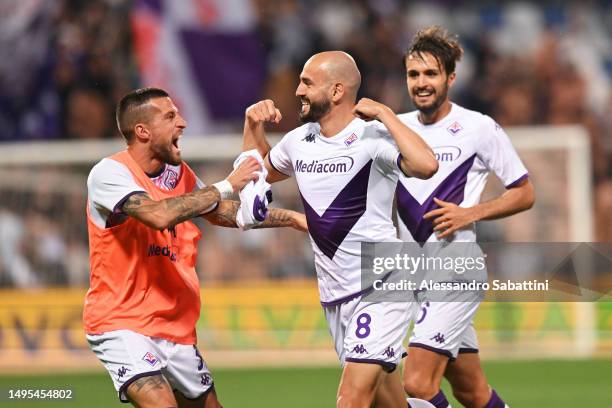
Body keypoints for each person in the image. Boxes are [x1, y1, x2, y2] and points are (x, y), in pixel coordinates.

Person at [83, 87, 306, 408]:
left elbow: (225, 213)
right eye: (170, 116)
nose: (183, 123)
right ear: (142, 131)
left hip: (174, 326)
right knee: (161, 403)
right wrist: (229, 183)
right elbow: (158, 215)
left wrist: (293, 218)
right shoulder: (109, 173)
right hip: (122, 322)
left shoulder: (178, 174)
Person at [243, 51, 438, 408]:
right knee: (388, 403)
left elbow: (426, 165)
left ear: (336, 91)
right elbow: (253, 177)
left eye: (307, 82)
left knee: (351, 400)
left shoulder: (372, 135)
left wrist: (386, 113)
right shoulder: (298, 140)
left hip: (382, 284)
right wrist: (252, 126)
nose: (298, 90)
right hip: (336, 295)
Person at [396, 27, 535, 408]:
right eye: (414, 75)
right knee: (472, 392)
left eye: (431, 74)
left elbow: (524, 192)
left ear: (450, 78)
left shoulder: (478, 127)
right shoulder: (395, 129)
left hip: (455, 269)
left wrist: (470, 213)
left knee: (417, 382)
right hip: (414, 274)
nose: (422, 83)